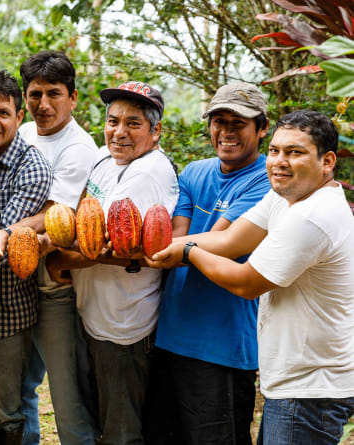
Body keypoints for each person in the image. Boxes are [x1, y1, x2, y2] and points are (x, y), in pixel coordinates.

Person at [146, 110, 354, 445]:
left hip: (311, 388)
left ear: (327, 161)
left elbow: (246, 282)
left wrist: (187, 253)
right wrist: (156, 245)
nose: (279, 161)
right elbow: (229, 242)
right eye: (275, 151)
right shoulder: (285, 196)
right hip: (293, 382)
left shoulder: (312, 216)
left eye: (295, 152)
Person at [46, 81, 179, 444]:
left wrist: (56, 260)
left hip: (124, 327)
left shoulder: (148, 172)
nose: (119, 132)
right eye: (113, 121)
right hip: (95, 315)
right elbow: (83, 226)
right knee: (101, 425)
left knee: (121, 432)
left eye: (133, 123)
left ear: (156, 131)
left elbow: (107, 249)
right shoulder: (106, 161)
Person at [145, 82, 271, 445]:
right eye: (219, 121)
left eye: (239, 123)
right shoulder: (194, 172)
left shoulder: (266, 181)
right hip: (170, 337)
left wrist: (145, 247)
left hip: (222, 347)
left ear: (262, 128)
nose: (226, 132)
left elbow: (219, 243)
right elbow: (177, 237)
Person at [15, 51, 99, 445]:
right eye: (34, 94)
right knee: (17, 390)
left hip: (51, 286)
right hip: (14, 281)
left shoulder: (79, 148)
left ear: (74, 97)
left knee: (67, 399)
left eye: (54, 94)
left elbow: (54, 216)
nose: (43, 105)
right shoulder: (24, 133)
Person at [0, 70, 52, 444]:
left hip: (7, 308)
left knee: (2, 409)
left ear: (20, 117)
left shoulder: (32, 166)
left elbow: (2, 246)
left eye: (3, 113)